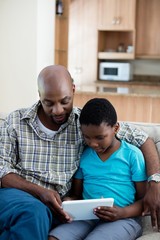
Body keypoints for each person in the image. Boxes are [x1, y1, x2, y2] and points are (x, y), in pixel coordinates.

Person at [0, 65, 159, 240]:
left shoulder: (86, 124)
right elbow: (2, 170)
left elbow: (144, 139)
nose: (58, 110)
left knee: (40, 220)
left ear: (73, 91)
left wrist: (155, 182)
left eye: (64, 101)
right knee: (33, 212)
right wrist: (40, 192)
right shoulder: (16, 121)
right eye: (49, 103)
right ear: (40, 95)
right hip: (19, 195)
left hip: (59, 208)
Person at [48, 97, 148, 240]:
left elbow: (144, 199)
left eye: (100, 137)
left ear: (116, 128)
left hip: (124, 218)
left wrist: (122, 213)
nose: (93, 144)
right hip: (87, 217)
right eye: (87, 137)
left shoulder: (132, 155)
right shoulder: (85, 156)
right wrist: (69, 201)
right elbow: (77, 194)